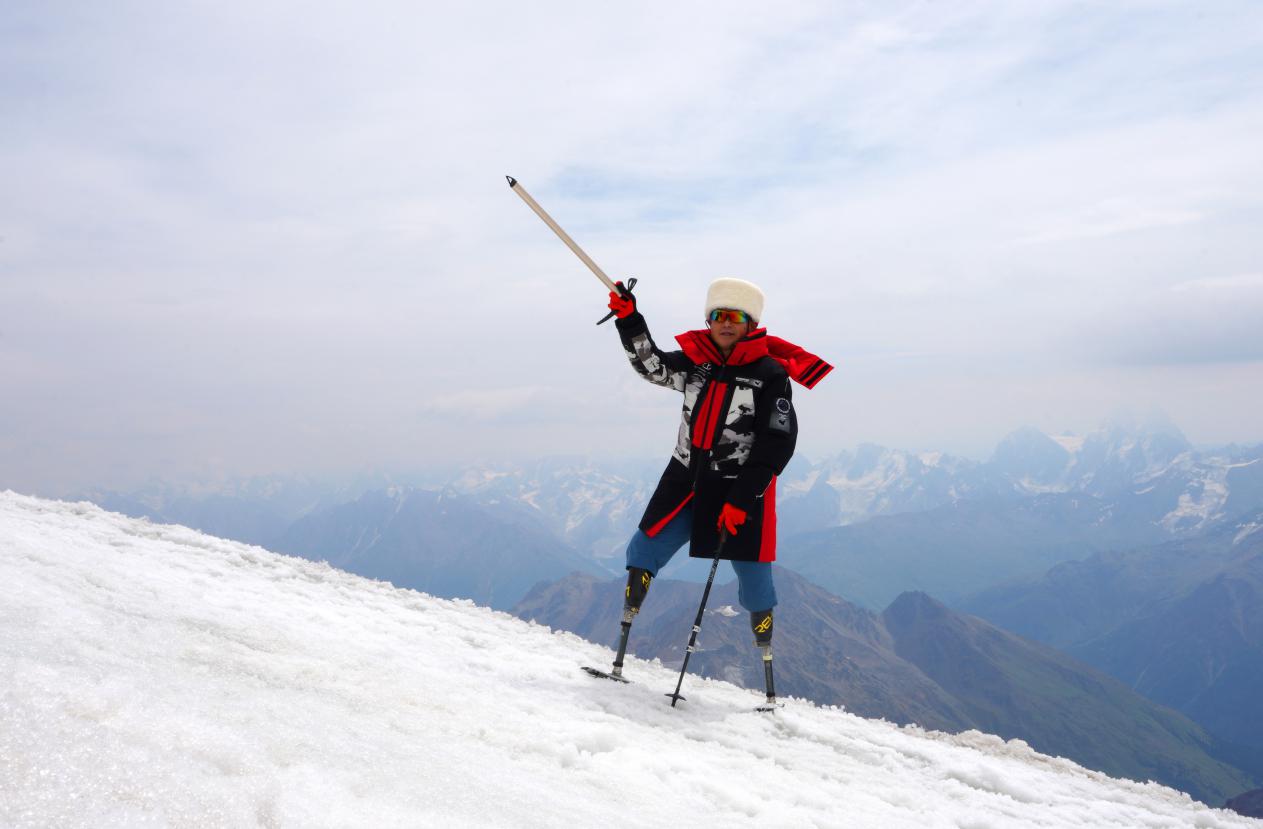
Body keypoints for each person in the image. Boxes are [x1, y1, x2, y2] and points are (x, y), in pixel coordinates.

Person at [604, 276, 832, 684]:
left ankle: (767, 678)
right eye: (718, 315)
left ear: (751, 323)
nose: (726, 323)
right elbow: (652, 367)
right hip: (685, 482)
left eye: (736, 316)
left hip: (738, 488)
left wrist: (742, 498)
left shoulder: (770, 374)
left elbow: (776, 444)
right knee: (644, 551)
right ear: (709, 320)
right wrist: (630, 320)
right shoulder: (697, 362)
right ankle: (619, 656)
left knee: (756, 579)